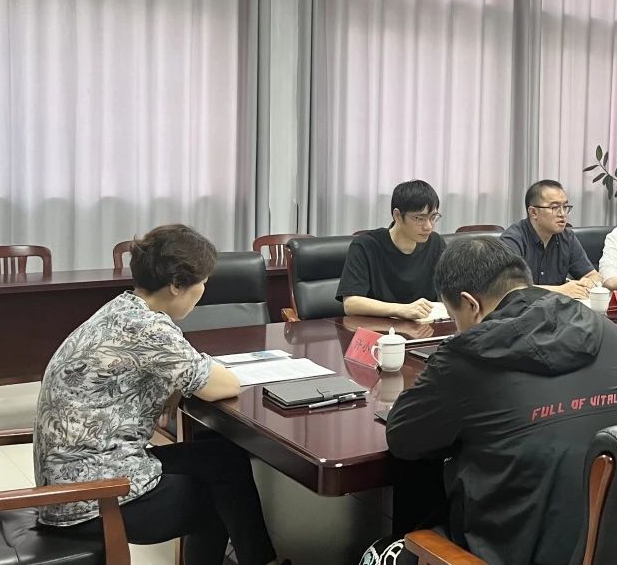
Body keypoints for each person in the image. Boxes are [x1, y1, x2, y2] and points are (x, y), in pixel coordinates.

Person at [34, 225, 283, 565]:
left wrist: (177, 381)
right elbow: (224, 386)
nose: (203, 291)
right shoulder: (148, 327)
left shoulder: (123, 308)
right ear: (177, 284)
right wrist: (193, 373)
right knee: (217, 498)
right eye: (202, 282)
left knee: (224, 458)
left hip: (73, 480)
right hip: (91, 497)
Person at [385, 237, 617, 565]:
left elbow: (403, 437)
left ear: (470, 304)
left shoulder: (466, 357)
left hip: (508, 551)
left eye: (454, 316)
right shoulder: (606, 332)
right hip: (612, 547)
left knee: (380, 552)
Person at [338, 180, 446, 319]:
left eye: (433, 217)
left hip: (424, 327)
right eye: (419, 218)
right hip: (379, 328)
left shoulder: (436, 243)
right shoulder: (366, 246)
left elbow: (450, 289)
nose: (428, 226)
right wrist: (401, 309)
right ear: (397, 215)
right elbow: (350, 304)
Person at [500, 180, 601, 299]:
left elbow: (593, 275)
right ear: (533, 212)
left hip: (557, 308)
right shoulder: (513, 240)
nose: (562, 214)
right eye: (555, 207)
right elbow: (510, 288)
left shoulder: (567, 238)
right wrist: (560, 291)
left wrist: (589, 283)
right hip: (521, 309)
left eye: (565, 207)